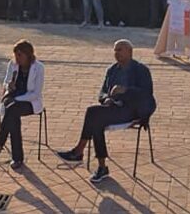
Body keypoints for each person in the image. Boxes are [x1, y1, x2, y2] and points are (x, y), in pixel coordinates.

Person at [58, 39, 156, 185]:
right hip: (114, 107)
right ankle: (101, 166)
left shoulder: (140, 70)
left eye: (120, 50)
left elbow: (147, 95)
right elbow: (102, 92)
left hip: (132, 110)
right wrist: (105, 99)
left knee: (93, 114)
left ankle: (79, 151)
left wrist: (126, 90)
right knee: (96, 120)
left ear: (130, 52)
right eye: (115, 50)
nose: (117, 53)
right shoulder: (112, 70)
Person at [0, 40, 45, 170]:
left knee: (12, 111)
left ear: (28, 55)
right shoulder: (12, 64)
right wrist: (9, 86)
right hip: (12, 99)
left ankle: (0, 144)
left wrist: (17, 99)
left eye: (20, 55)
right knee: (12, 114)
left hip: (30, 101)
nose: (17, 58)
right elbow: (6, 83)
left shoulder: (39, 68)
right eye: (16, 55)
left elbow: (36, 93)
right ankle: (16, 157)